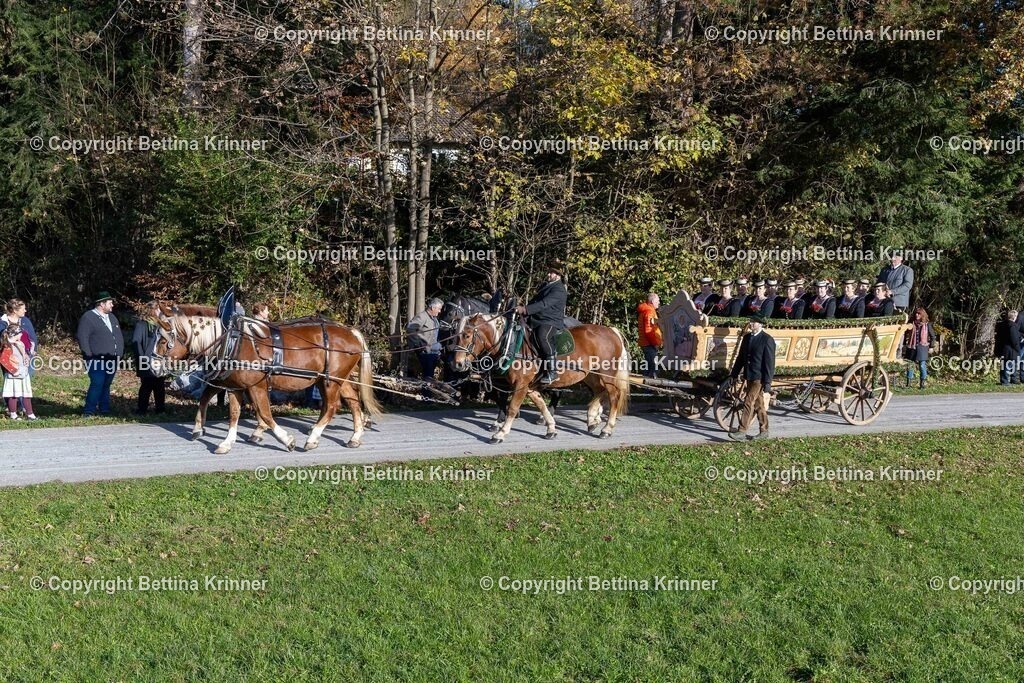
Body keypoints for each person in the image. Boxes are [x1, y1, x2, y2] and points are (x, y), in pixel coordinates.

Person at [516, 262, 568, 385]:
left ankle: (552, 371)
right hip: (538, 318)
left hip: (550, 321)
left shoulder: (559, 289)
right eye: (549, 272)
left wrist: (526, 310)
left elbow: (544, 304)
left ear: (558, 276)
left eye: (552, 272)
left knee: (542, 336)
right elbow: (535, 301)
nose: (549, 274)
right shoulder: (545, 285)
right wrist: (522, 308)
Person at [728, 314, 776, 441]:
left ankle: (742, 431)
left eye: (754, 322)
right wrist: (734, 373)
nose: (751, 324)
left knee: (748, 401)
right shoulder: (747, 337)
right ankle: (764, 431)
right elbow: (740, 358)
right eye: (750, 321)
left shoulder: (767, 340)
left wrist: (767, 382)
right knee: (759, 405)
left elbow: (769, 363)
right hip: (749, 375)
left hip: (759, 377)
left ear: (760, 324)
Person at [76, 291, 124, 416]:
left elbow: (118, 336)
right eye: (110, 303)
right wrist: (88, 355)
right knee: (97, 383)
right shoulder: (88, 317)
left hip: (112, 358)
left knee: (106, 384)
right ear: (102, 304)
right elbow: (82, 337)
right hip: (96, 359)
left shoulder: (112, 318)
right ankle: (89, 410)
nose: (112, 305)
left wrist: (119, 353)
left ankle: (104, 409)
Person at [0, 298, 38, 416]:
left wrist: (33, 350)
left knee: (26, 382)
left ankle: (25, 408)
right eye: (23, 309)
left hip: (27, 357)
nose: (25, 311)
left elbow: (32, 336)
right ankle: (12, 410)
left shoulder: (25, 320)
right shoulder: (2, 323)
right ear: (15, 310)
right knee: (12, 384)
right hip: (10, 358)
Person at [133, 301, 166, 415]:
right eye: (158, 310)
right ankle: (142, 410)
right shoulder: (142, 324)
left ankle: (160, 409)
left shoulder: (160, 324)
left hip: (158, 360)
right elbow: (136, 342)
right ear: (152, 310)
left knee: (160, 386)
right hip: (146, 360)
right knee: (146, 386)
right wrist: (142, 359)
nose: (160, 312)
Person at [406, 298, 444, 380]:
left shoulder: (435, 319)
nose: (440, 311)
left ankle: (428, 391)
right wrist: (418, 344)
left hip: (436, 353)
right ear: (433, 308)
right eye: (439, 309)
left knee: (431, 377)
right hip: (426, 353)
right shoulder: (422, 316)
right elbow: (410, 329)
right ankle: (426, 392)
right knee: (428, 377)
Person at [903, 307, 934, 389]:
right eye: (916, 313)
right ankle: (908, 384)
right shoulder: (911, 323)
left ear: (922, 315)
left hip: (922, 347)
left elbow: (933, 336)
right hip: (912, 347)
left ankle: (922, 383)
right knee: (910, 365)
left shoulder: (927, 325)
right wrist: (904, 344)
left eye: (919, 313)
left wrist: (931, 347)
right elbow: (905, 334)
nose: (917, 315)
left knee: (922, 365)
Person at [637, 292, 662, 378]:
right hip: (649, 344)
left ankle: (644, 387)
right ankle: (649, 389)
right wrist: (656, 343)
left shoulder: (646, 310)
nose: (659, 302)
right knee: (654, 368)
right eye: (658, 300)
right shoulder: (649, 312)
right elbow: (649, 331)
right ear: (653, 301)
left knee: (648, 367)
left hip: (646, 343)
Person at [996, 310, 1022, 385]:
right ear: (1014, 317)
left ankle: (1005, 380)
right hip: (1011, 349)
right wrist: (1017, 348)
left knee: (1005, 364)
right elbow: (1014, 339)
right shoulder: (1012, 326)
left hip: (1003, 347)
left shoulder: (1002, 324)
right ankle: (1005, 381)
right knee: (1008, 365)